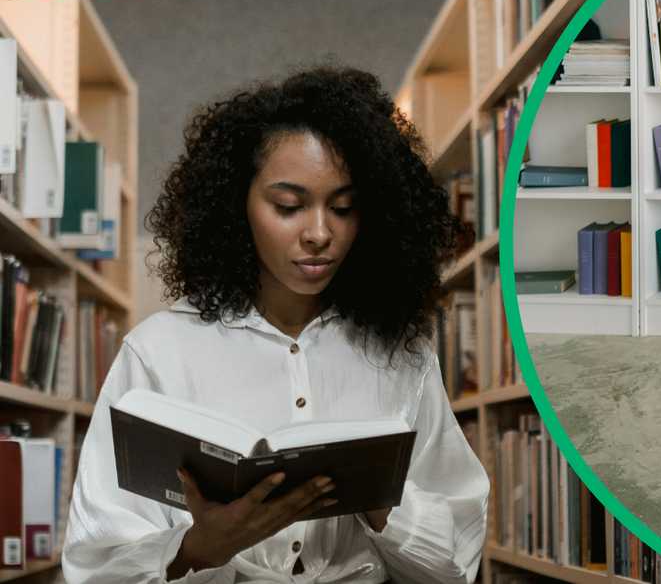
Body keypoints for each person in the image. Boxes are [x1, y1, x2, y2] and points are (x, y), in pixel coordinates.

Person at [61, 66, 488, 583]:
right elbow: (94, 566)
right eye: (288, 205)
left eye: (344, 207)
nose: (318, 233)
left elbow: (456, 564)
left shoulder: (402, 354)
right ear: (236, 205)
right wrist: (198, 549)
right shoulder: (158, 351)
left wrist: (380, 504)